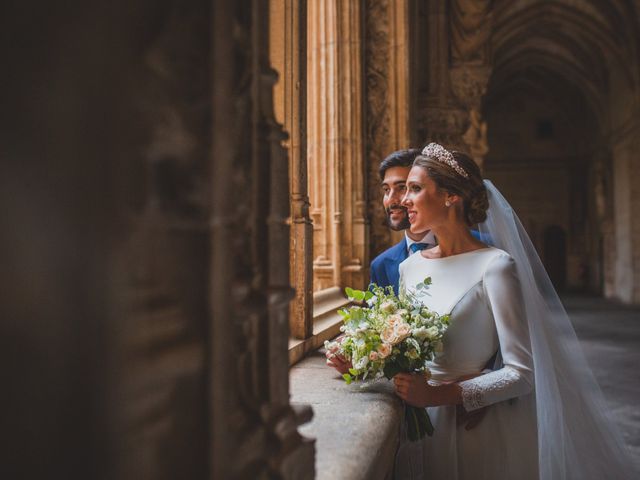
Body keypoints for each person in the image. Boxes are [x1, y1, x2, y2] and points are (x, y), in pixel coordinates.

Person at [392, 143, 634, 479]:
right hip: (416, 425)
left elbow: (521, 373)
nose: (404, 199)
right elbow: (404, 351)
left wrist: (438, 395)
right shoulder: (409, 268)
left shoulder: (495, 266)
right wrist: (367, 357)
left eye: (415, 188)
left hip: (475, 430)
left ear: (451, 196)